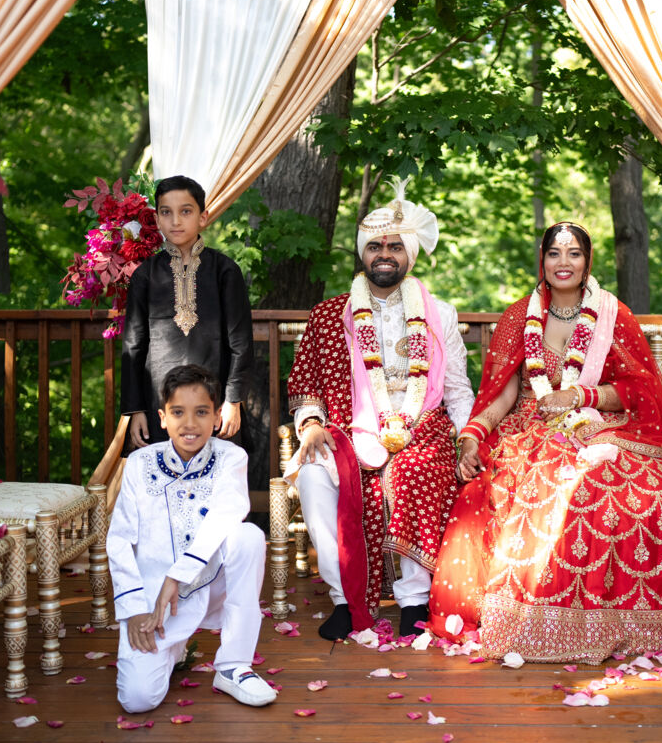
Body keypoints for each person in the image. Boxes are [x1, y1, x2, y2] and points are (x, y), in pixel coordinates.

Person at [431, 222, 662, 664]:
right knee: (556, 482)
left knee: (650, 490)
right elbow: (502, 393)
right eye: (554, 253)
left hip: (601, 421)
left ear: (587, 261)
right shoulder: (518, 316)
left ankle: (637, 621)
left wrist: (579, 396)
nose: (564, 262)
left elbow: (639, 390)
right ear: (542, 260)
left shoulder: (613, 314)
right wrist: (473, 436)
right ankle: (534, 619)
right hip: (532, 424)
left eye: (574, 253)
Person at [285, 178, 474, 640]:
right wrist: (311, 425)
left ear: (410, 255)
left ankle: (414, 601)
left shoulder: (440, 313)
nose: (384, 254)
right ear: (362, 254)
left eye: (394, 246)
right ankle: (345, 601)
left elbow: (457, 389)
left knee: (413, 471)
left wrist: (469, 439)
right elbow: (306, 383)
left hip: (423, 427)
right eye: (374, 246)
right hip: (348, 429)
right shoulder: (329, 315)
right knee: (312, 475)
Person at [107, 364, 274, 712]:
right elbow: (120, 540)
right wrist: (134, 608)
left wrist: (177, 575)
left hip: (210, 583)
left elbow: (227, 513)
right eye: (178, 412)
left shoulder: (231, 457)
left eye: (201, 412)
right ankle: (173, 648)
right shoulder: (139, 463)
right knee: (137, 700)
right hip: (155, 602)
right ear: (162, 418)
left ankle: (233, 665)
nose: (190, 423)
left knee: (248, 537)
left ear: (216, 417)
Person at [121, 175, 253, 449]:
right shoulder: (145, 275)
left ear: (203, 217)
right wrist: (135, 410)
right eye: (166, 212)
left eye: (185, 211)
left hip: (215, 403)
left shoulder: (225, 271)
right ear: (156, 220)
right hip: (159, 403)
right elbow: (133, 346)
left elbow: (241, 343)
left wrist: (233, 400)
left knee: (217, 469)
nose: (175, 221)